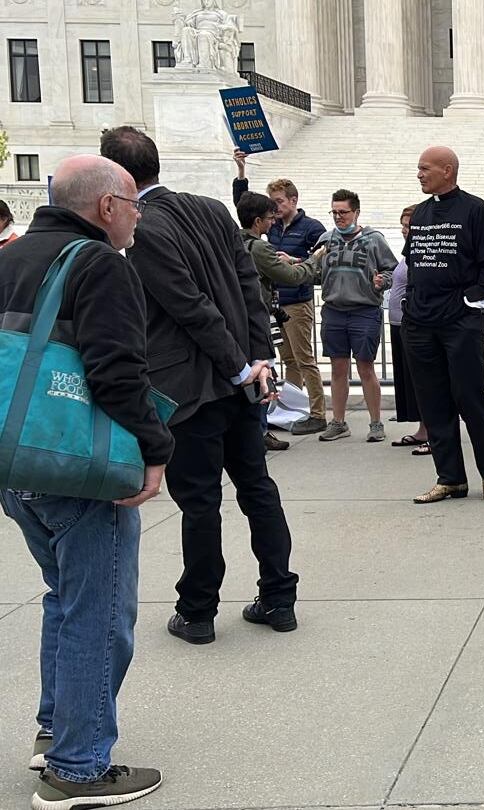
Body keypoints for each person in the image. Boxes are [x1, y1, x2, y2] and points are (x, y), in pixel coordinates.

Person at [0, 155, 169, 810]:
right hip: (78, 469)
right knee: (98, 612)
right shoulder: (97, 263)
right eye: (133, 205)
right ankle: (76, 768)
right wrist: (154, 449)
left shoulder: (10, 256)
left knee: (64, 597)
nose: (136, 216)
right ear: (105, 206)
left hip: (20, 465)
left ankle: (56, 730)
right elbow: (115, 370)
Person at [100, 125, 299, 645]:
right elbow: (249, 291)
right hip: (236, 381)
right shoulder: (211, 208)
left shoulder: (144, 230)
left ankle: (198, 610)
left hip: (195, 387)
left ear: (117, 176)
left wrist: (243, 365)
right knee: (256, 488)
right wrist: (258, 360)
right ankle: (279, 598)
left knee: (202, 501)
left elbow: (190, 307)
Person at [402, 146, 484, 504]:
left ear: (447, 170)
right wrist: (412, 303)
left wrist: (471, 299)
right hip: (420, 322)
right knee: (433, 403)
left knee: (470, 398)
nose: (419, 174)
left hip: (459, 321)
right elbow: (414, 261)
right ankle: (450, 479)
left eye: (424, 168)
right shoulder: (421, 213)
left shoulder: (474, 209)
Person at [233, 150, 328, 436]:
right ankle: (291, 410)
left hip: (296, 302)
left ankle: (317, 412)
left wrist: (303, 261)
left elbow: (316, 269)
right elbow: (244, 207)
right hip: (273, 306)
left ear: (293, 201)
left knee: (304, 359)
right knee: (284, 362)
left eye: (278, 203)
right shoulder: (264, 237)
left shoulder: (312, 228)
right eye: (270, 208)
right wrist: (241, 174)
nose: (273, 214)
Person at [310, 189, 396, 443]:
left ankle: (376, 422)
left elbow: (391, 269)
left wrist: (383, 281)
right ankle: (338, 422)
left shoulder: (374, 240)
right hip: (334, 310)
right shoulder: (326, 240)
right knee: (338, 368)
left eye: (343, 212)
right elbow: (313, 269)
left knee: (365, 367)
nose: (339, 217)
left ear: (356, 212)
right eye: (334, 212)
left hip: (364, 311)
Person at [387, 204, 429, 454]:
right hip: (399, 323)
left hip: (413, 324)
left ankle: (432, 433)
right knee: (411, 383)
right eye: (402, 226)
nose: (405, 230)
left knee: (423, 382)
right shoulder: (408, 252)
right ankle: (423, 429)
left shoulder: (424, 253)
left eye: (409, 226)